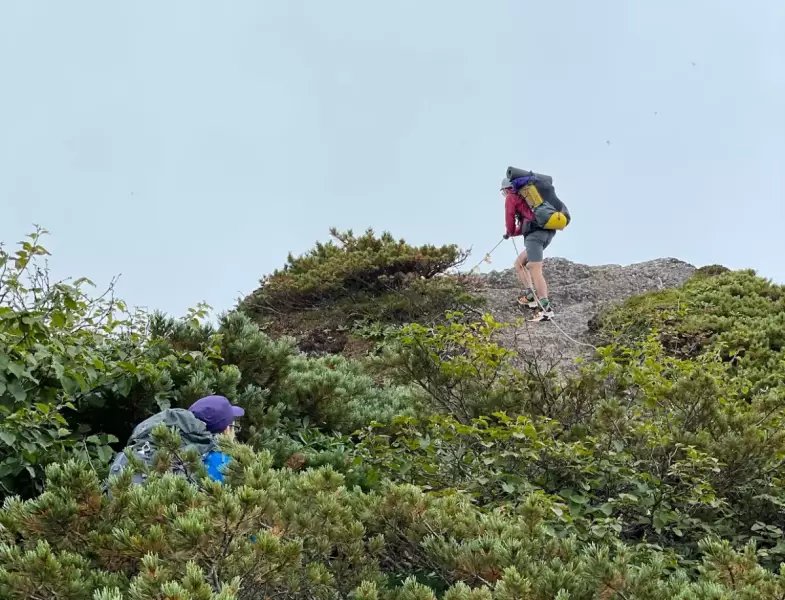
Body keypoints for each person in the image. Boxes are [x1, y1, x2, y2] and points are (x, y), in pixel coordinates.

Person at [502, 172, 569, 322]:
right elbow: (530, 220)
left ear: (506, 189)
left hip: (535, 236)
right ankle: (531, 296)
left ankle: (546, 309)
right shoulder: (530, 198)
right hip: (547, 232)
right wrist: (515, 232)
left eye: (503, 192)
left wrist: (510, 232)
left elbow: (510, 220)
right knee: (519, 263)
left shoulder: (512, 197)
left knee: (534, 268)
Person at [188, 395, 245, 483]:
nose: (235, 434)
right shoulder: (226, 465)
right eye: (234, 427)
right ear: (227, 430)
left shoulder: (177, 451)